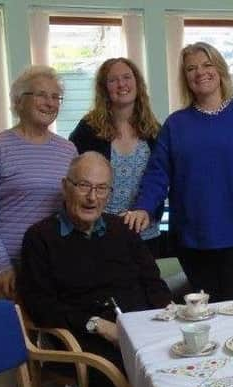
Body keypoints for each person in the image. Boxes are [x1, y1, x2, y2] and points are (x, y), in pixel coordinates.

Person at [17, 152, 171, 387]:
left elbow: (151, 279)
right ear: (66, 186)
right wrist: (97, 324)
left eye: (101, 189)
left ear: (109, 193)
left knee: (183, 364)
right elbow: (41, 305)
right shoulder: (40, 238)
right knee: (126, 379)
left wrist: (168, 309)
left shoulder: (122, 229)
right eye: (84, 186)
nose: (92, 197)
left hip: (140, 327)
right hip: (84, 338)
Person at [122, 42, 233, 302]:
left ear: (219, 70)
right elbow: (158, 174)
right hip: (192, 241)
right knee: (207, 319)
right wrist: (144, 208)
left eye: (206, 65)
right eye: (191, 68)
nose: (200, 72)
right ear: (185, 78)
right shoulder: (176, 124)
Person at [0, 65, 77, 387]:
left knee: (52, 344)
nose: (50, 102)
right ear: (19, 101)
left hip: (52, 266)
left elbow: (73, 208)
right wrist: (0, 265)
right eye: (42, 95)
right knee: (10, 351)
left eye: (56, 97)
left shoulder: (67, 150)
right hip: (11, 267)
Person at [69, 57, 164, 257]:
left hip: (145, 236)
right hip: (99, 234)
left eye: (127, 77)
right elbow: (74, 181)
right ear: (104, 88)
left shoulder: (154, 131)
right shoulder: (87, 130)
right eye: (113, 80)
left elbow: (161, 180)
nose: (122, 84)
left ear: (137, 84)